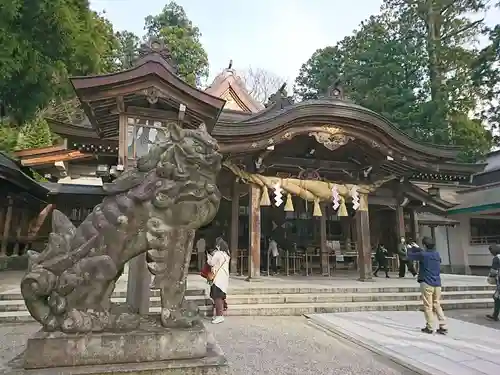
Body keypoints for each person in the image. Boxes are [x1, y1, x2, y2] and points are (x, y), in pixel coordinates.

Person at [407, 236, 447, 334]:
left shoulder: (423, 254)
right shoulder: (436, 254)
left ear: (424, 245)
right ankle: (443, 325)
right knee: (437, 304)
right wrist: (418, 248)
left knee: (428, 306)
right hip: (437, 283)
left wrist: (409, 248)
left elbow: (410, 256)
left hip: (427, 282)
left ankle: (429, 327)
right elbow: (425, 253)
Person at [207, 237, 230, 324]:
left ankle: (220, 316)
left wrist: (209, 257)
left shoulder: (218, 254)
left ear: (218, 245)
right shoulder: (226, 254)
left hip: (217, 278)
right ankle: (218, 314)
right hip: (224, 278)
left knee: (217, 297)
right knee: (219, 296)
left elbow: (211, 263)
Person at [486, 244, 500, 322]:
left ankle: (495, 315)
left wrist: (490, 277)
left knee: (496, 297)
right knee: (496, 296)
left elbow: (493, 271)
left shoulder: (496, 258)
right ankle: (495, 314)